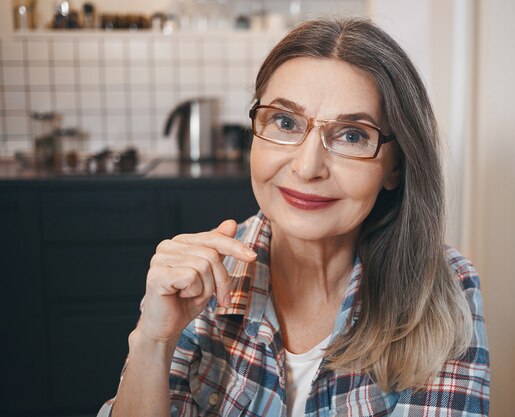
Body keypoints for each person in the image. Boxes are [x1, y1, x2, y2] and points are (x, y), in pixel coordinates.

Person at [98, 18, 489, 417]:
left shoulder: (444, 288)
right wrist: (152, 341)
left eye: (352, 134)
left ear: (394, 166)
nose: (307, 167)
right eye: (285, 123)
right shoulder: (202, 280)